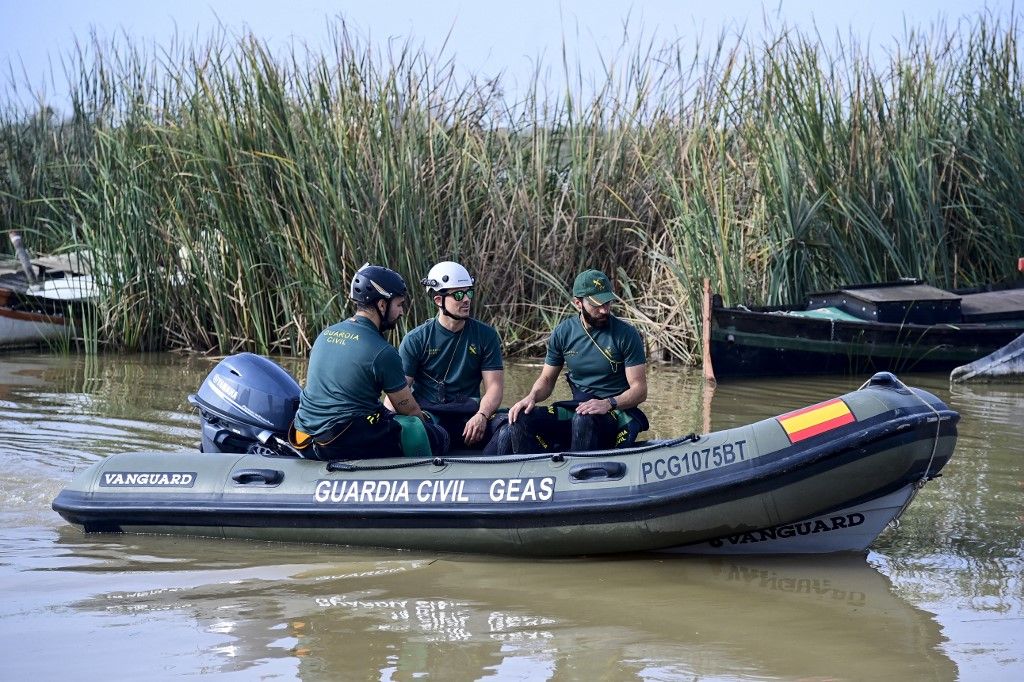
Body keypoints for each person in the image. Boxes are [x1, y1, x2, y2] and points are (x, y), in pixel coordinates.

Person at [291, 263, 449, 461]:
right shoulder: (382, 351)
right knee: (422, 429)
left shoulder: (325, 334)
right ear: (382, 305)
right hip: (337, 443)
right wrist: (431, 426)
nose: (401, 312)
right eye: (399, 305)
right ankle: (423, 478)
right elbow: (409, 411)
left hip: (303, 438)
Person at [499, 268, 649, 453]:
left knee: (583, 419)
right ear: (578, 303)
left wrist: (608, 403)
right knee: (521, 417)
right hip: (579, 408)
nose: (604, 309)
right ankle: (530, 474)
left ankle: (580, 476)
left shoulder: (626, 335)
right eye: (597, 304)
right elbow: (546, 380)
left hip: (615, 413)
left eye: (607, 303)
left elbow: (639, 390)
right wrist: (531, 397)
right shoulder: (563, 332)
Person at [396, 261, 505, 450]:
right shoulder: (416, 339)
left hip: (470, 416)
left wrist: (482, 415)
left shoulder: (486, 336)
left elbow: (494, 387)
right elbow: (398, 393)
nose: (466, 300)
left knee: (509, 426)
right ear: (439, 300)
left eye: (468, 292)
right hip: (430, 418)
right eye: (459, 295)